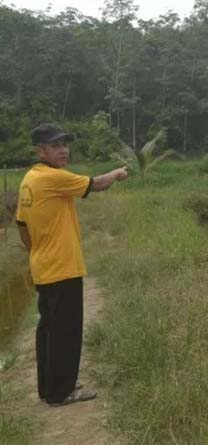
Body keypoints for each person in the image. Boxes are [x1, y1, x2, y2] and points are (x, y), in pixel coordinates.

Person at [15, 123, 128, 407]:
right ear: (40, 150)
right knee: (65, 332)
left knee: (49, 331)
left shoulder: (30, 178)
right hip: (63, 268)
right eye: (55, 146)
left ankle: (49, 388)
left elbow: (21, 224)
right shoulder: (53, 178)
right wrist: (117, 172)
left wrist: (38, 251)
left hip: (44, 266)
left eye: (65, 144)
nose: (63, 150)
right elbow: (96, 184)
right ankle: (62, 392)